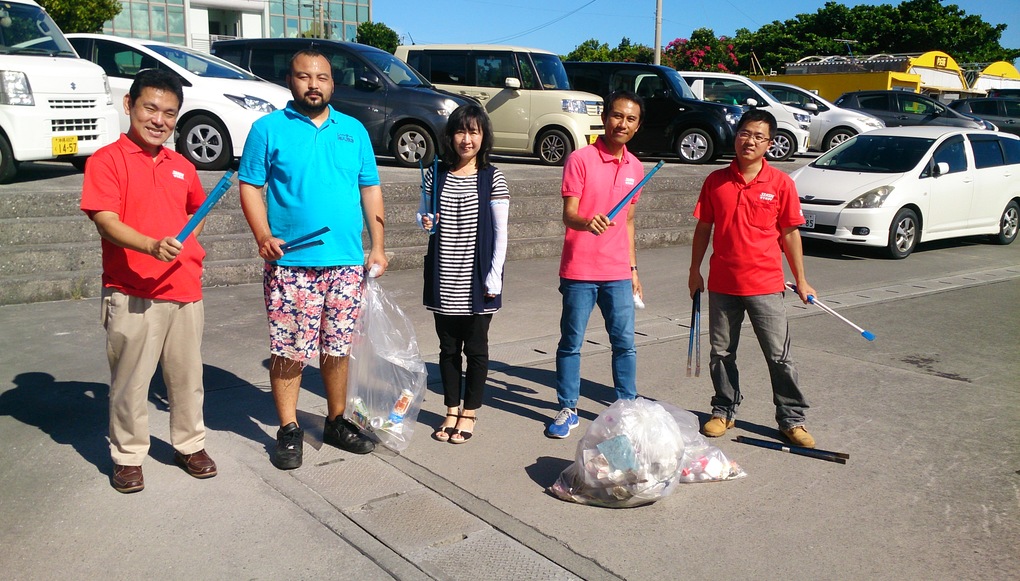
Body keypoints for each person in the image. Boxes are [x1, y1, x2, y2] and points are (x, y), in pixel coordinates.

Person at [238, 49, 388, 470]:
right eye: (304, 76)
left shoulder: (353, 131)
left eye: (322, 77)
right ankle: (288, 429)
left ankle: (337, 420)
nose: (313, 84)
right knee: (288, 350)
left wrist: (377, 245)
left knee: (337, 347)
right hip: (291, 265)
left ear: (332, 84)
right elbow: (250, 185)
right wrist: (262, 235)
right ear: (291, 80)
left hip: (344, 263)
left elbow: (370, 189)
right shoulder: (267, 129)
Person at [80, 69, 217, 493]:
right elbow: (105, 221)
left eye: (169, 113)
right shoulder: (106, 161)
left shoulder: (182, 165)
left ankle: (190, 444)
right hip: (131, 289)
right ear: (130, 106)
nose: (159, 120)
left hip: (184, 289)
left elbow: (196, 209)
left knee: (187, 377)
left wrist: (189, 252)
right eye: (150, 108)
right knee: (130, 383)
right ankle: (127, 455)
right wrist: (150, 245)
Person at [688, 109, 818, 448]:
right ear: (737, 136)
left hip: (766, 284)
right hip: (722, 283)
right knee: (721, 353)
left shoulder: (781, 184)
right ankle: (723, 410)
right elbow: (704, 228)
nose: (750, 141)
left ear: (769, 144)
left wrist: (801, 280)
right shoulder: (715, 181)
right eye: (746, 133)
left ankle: (792, 419)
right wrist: (694, 271)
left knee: (779, 356)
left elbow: (790, 234)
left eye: (759, 136)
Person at [546, 90, 646, 439]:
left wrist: (633, 270)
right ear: (605, 117)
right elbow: (569, 215)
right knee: (571, 342)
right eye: (617, 115)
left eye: (631, 119)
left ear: (637, 126)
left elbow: (630, 221)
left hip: (618, 272)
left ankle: (627, 408)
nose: (623, 123)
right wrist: (588, 222)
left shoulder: (636, 167)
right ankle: (567, 408)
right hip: (579, 270)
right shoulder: (580, 159)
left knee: (625, 344)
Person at [417, 104, 509, 444]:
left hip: (479, 276)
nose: (466, 139)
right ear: (450, 135)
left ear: (483, 137)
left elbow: (501, 233)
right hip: (444, 273)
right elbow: (424, 215)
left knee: (477, 349)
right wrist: (425, 221)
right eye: (460, 131)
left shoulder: (492, 177)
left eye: (473, 132)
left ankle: (470, 412)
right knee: (447, 349)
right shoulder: (434, 173)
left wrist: (494, 274)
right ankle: (451, 409)